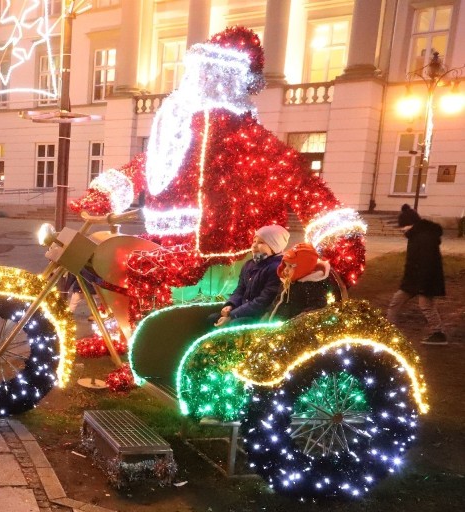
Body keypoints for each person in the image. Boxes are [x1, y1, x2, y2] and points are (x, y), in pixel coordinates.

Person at [70, 27, 366, 321]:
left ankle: (148, 347)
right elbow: (142, 166)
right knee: (112, 264)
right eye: (200, 75)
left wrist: (341, 242)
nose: (203, 82)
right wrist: (104, 195)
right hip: (166, 240)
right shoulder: (179, 135)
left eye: (212, 75)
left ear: (234, 82)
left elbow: (305, 188)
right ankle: (127, 336)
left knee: (153, 279)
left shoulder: (253, 142)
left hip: (222, 251)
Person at [386, 204, 448, 345]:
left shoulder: (423, 238)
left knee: (426, 305)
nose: (402, 229)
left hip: (423, 281)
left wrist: (423, 286)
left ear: (410, 224)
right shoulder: (417, 235)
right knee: (396, 302)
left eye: (403, 226)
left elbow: (427, 263)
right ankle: (388, 330)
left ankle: (438, 334)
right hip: (414, 280)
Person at [211, 224, 289, 327]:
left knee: (235, 324)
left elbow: (263, 301)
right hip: (242, 311)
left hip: (259, 316)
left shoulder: (276, 268)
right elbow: (240, 289)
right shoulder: (249, 264)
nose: (254, 245)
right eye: (254, 241)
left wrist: (233, 315)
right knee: (212, 318)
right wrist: (231, 305)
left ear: (274, 247)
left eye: (261, 242)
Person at [268, 242, 334, 320]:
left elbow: (317, 307)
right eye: (285, 265)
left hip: (294, 329)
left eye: (290, 266)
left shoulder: (312, 286)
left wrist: (298, 321)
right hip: (278, 326)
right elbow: (277, 302)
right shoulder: (287, 282)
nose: (285, 269)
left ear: (303, 268)